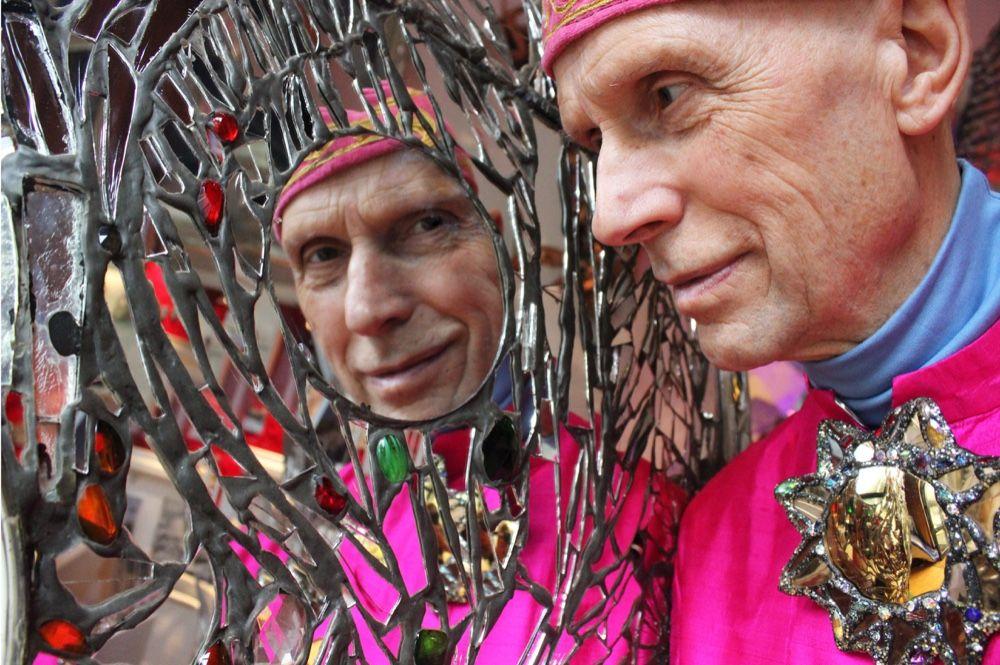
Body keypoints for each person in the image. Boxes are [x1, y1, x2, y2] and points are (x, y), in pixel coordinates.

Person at [542, 0, 999, 662]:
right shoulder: (720, 538)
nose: (610, 216)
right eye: (594, 141)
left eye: (668, 94)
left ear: (916, 53)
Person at [270, 85, 684, 663]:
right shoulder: (287, 557)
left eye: (426, 225)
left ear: (499, 251)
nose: (367, 309)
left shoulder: (639, 521)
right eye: (322, 255)